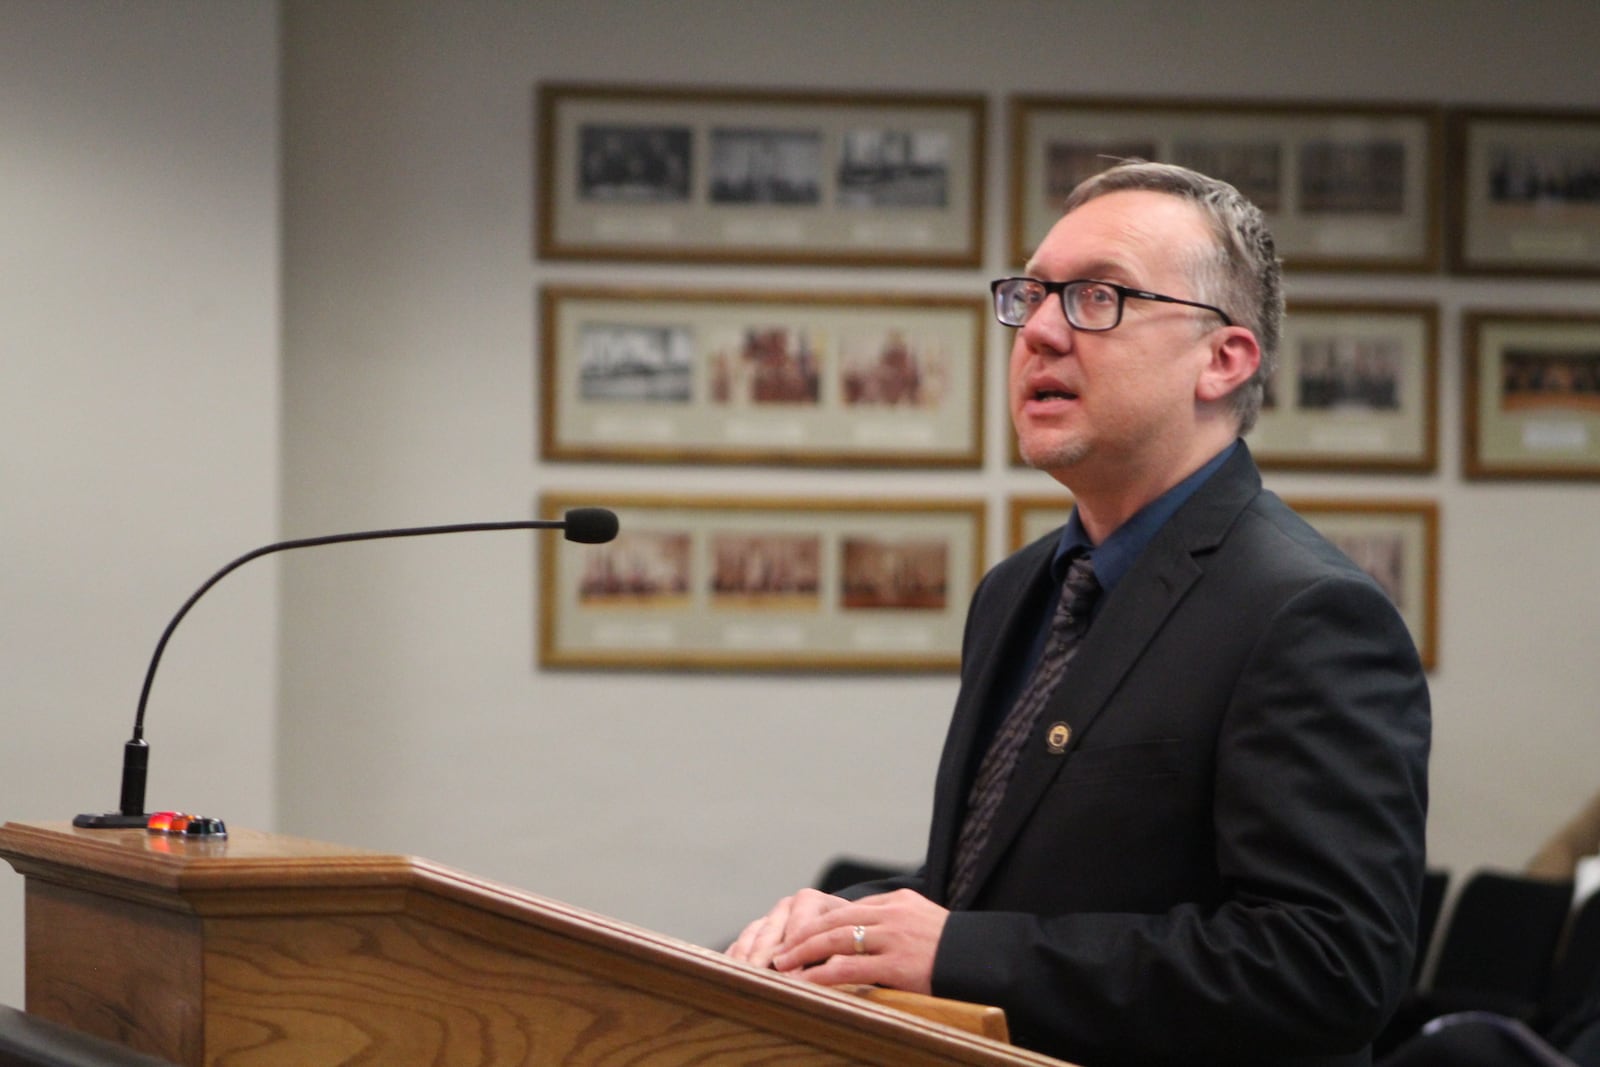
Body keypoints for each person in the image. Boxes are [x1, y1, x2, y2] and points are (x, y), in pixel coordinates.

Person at [727, 161, 1431, 1067]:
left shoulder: (1307, 613)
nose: (1042, 332)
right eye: (1032, 295)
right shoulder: (1021, 588)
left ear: (1224, 359)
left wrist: (955, 951)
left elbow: (1328, 966)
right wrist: (848, 923)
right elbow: (1013, 885)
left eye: (1098, 297)